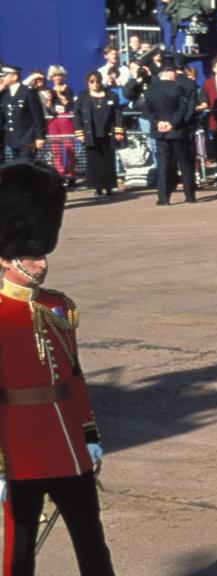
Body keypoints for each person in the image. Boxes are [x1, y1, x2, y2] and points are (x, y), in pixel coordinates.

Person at [0, 161, 116, 576]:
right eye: (31, 256)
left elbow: (74, 378)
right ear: (8, 259)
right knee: (19, 551)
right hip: (18, 451)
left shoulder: (57, 305)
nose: (41, 263)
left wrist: (88, 434)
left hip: (68, 447)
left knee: (92, 541)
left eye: (41, 254)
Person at [143, 61, 196, 205]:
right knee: (185, 164)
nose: (177, 74)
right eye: (174, 71)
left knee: (163, 165)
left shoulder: (150, 89)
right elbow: (183, 108)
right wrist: (172, 123)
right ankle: (190, 195)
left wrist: (157, 122)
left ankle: (164, 197)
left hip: (160, 131)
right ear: (167, 72)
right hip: (177, 130)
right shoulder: (178, 87)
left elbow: (146, 110)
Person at [73, 71, 125, 197]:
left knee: (108, 160)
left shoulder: (110, 95)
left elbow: (117, 114)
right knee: (94, 161)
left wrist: (119, 130)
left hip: (107, 132)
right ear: (88, 83)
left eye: (97, 81)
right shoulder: (83, 96)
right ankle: (97, 187)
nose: (95, 84)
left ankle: (108, 186)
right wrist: (80, 133)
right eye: (92, 81)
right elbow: (77, 115)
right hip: (91, 132)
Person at [1, 63, 47, 162]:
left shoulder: (27, 91)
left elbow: (37, 116)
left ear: (14, 76)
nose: (1, 78)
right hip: (13, 140)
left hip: (28, 139)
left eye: (4, 75)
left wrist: (40, 137)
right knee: (16, 168)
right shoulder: (4, 94)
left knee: (27, 167)